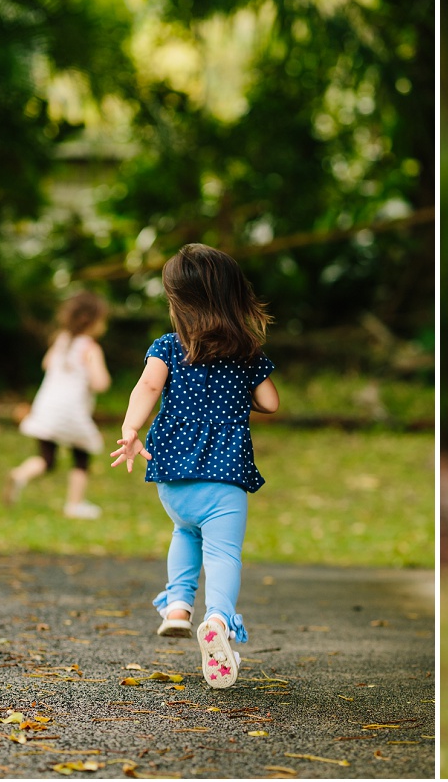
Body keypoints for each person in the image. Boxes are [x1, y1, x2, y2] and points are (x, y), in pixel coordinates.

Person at [111, 242, 278, 688]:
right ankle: (218, 621)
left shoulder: (168, 347)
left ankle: (179, 607)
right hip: (224, 476)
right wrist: (242, 390)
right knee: (223, 553)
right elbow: (271, 402)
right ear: (233, 299)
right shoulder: (247, 353)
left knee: (183, 531)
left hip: (173, 474)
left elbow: (147, 387)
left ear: (178, 303)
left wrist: (130, 430)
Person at [6, 291, 110, 518]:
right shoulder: (90, 348)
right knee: (82, 455)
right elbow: (100, 383)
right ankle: (74, 505)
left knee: (47, 458)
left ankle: (20, 475)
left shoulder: (62, 340)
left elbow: (46, 363)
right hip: (71, 413)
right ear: (91, 321)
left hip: (46, 408)